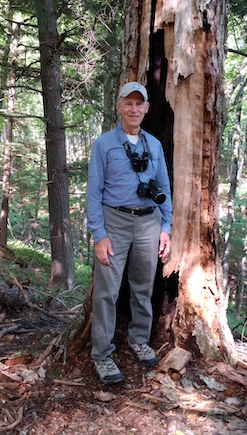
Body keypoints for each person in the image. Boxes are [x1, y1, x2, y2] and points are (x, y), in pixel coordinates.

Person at [87, 81, 172, 384]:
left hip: (150, 221)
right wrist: (99, 234)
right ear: (120, 106)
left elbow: (163, 187)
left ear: (147, 108)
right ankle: (102, 354)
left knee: (143, 287)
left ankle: (139, 339)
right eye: (129, 103)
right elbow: (93, 193)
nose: (134, 109)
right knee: (108, 290)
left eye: (140, 103)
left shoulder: (154, 145)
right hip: (115, 222)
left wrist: (166, 227)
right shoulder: (104, 144)